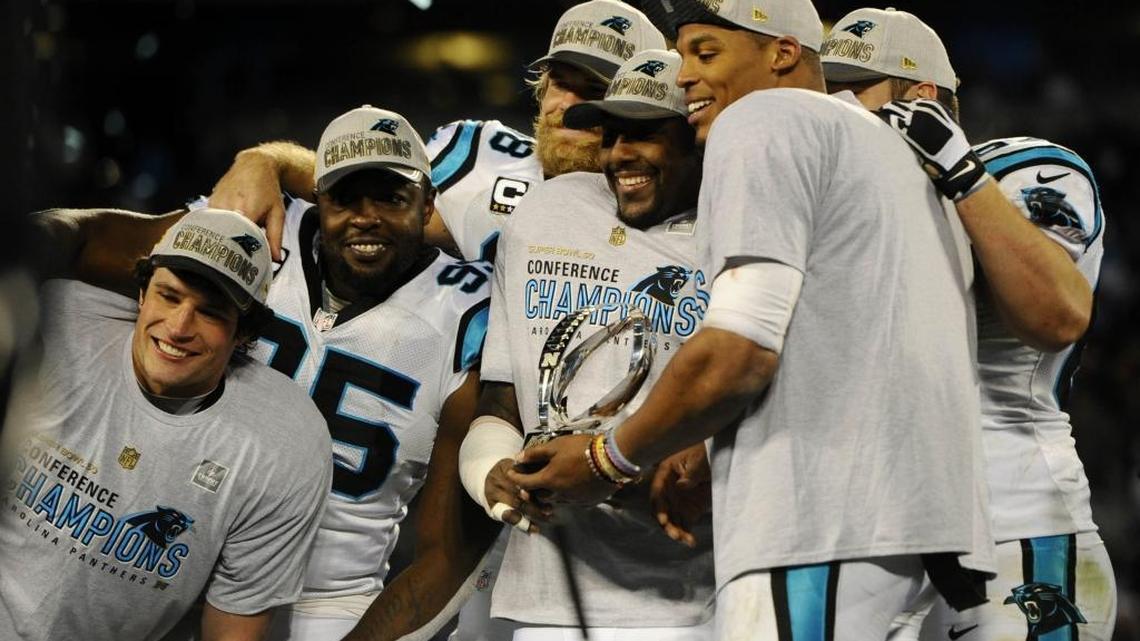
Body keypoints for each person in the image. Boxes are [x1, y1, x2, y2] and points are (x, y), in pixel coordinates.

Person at [506, 1, 999, 639]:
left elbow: (741, 352)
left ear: (783, 52)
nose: (683, 76)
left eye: (706, 54)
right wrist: (708, 450)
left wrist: (607, 458)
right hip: (915, 529)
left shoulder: (764, 118)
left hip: (817, 526)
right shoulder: (887, 147)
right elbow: (840, 346)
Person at [34, 106, 500, 641]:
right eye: (345, 197)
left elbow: (451, 551)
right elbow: (82, 239)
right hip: (177, 558)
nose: (366, 216)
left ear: (428, 206)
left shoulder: (471, 315)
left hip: (329, 599)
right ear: (317, 200)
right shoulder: (252, 231)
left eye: (392, 198)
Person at [821, 8, 1116, 639]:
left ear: (923, 101)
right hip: (882, 539)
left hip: (1013, 524)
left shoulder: (1019, 169)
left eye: (854, 91)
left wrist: (958, 173)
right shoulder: (839, 201)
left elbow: (1059, 314)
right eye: (825, 94)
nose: (836, 109)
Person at [458, 48, 715, 641]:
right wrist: (491, 472)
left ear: (694, 139)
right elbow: (502, 399)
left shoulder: (733, 231)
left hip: (687, 600)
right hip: (546, 598)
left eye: (646, 134)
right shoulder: (547, 211)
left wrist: (609, 468)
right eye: (613, 133)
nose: (621, 153)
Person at [0, 208, 332, 641]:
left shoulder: (285, 443)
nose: (178, 328)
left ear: (243, 334)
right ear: (141, 294)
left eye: (210, 313)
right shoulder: (52, 323)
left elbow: (232, 630)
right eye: (169, 297)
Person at [207, 0, 666, 265]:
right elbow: (368, 187)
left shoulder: (664, 201)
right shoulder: (478, 148)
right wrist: (269, 160)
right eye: (562, 83)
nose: (568, 105)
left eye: (594, 91)